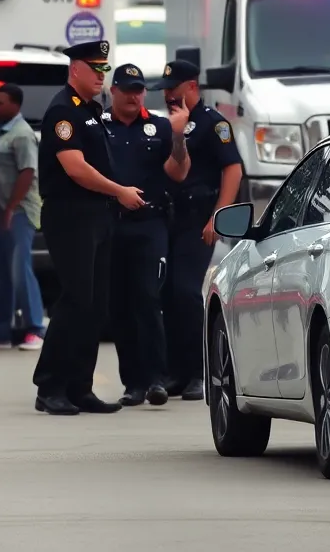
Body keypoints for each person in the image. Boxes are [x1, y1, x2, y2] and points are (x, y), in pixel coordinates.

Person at [31, 40, 146, 415]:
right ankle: (49, 386)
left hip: (97, 214)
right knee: (76, 299)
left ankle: (80, 386)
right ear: (74, 69)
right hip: (71, 214)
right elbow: (75, 168)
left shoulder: (91, 111)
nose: (100, 75)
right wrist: (120, 191)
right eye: (94, 69)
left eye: (103, 69)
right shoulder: (63, 112)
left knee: (96, 305)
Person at [102, 64, 190, 407]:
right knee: (119, 306)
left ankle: (156, 378)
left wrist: (179, 137)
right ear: (114, 92)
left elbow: (179, 173)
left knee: (148, 301)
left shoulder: (160, 126)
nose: (133, 95)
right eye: (126, 89)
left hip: (149, 224)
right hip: (111, 224)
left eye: (138, 89)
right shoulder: (99, 126)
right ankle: (133, 384)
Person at [154, 59, 243, 400]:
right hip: (169, 218)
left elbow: (232, 170)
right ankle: (176, 371)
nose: (168, 96)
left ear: (192, 86)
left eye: (173, 89)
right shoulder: (170, 124)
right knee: (167, 295)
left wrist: (217, 217)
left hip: (197, 220)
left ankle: (198, 372)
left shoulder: (213, 124)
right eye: (165, 91)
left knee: (186, 292)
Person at [0, 83, 46, 352]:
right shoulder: (2, 133)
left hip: (18, 213)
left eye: (0, 103)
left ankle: (35, 328)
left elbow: (28, 172)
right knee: (1, 272)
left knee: (20, 270)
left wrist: (11, 207)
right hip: (2, 212)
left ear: (16, 105)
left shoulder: (22, 134)